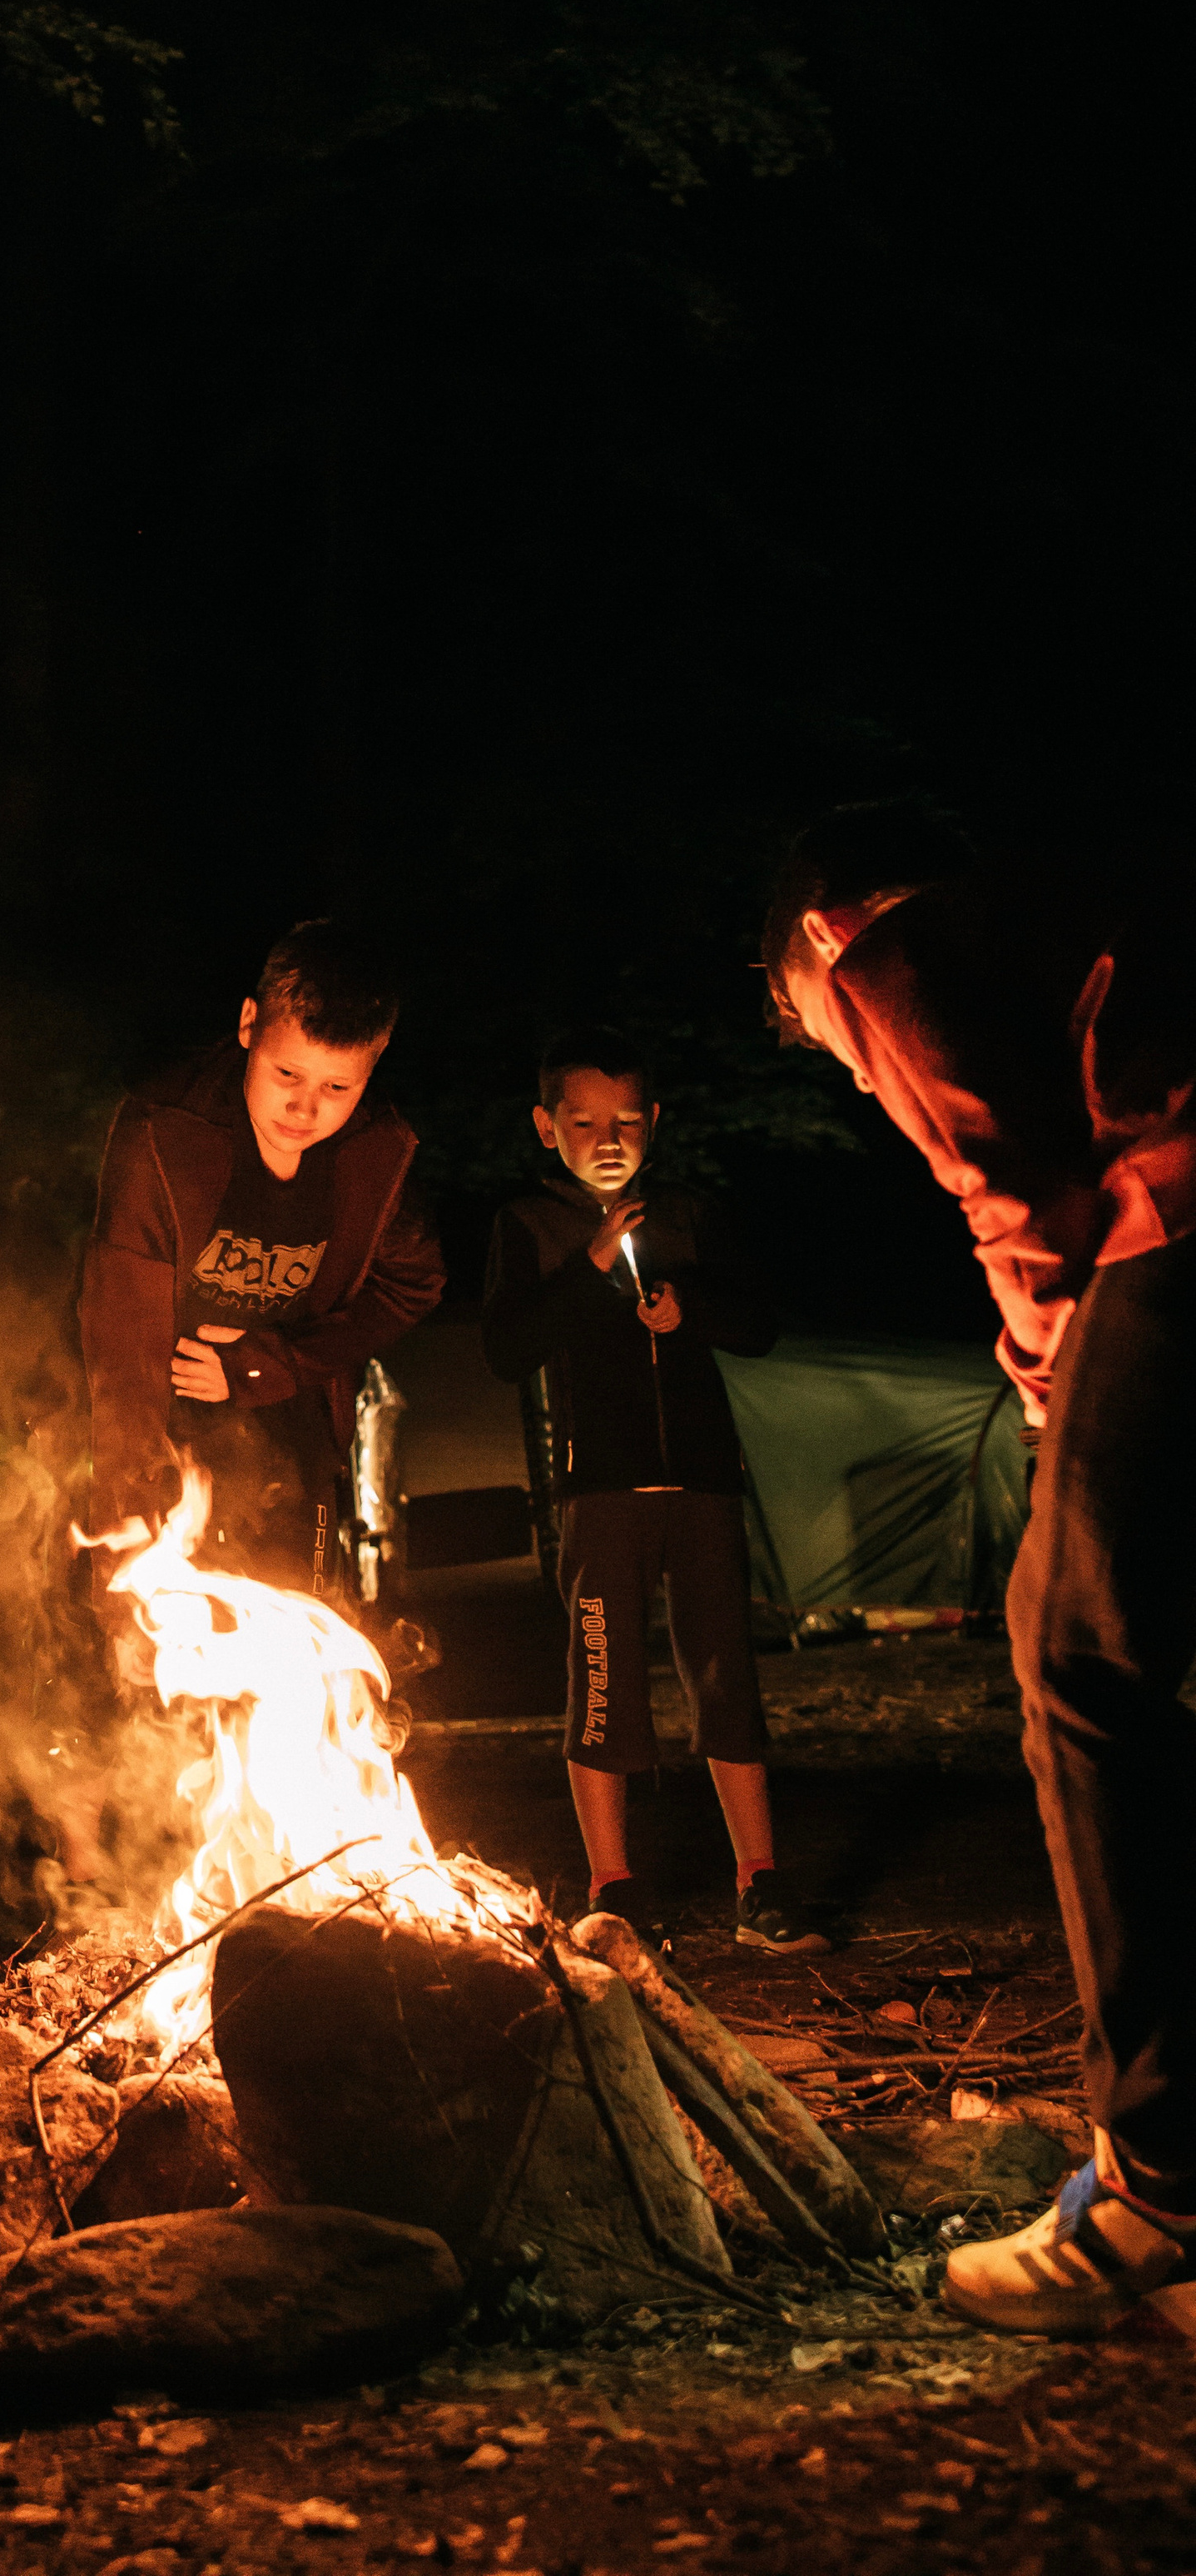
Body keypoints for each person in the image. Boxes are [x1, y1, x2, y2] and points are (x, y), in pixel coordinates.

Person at [764, 798, 1196, 2338]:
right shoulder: (1079, 904)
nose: (856, 1058)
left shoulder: (879, 948)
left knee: (1076, 1646)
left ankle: (1160, 2193)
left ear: (815, 946)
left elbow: (1019, 1195)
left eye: (826, 1038)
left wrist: (1037, 1364)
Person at [482, 1024, 821, 1954]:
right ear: (547, 1127)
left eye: (627, 1119)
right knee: (602, 1676)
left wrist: (691, 1310)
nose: (608, 1138)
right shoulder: (531, 1223)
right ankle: (613, 1886)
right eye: (584, 1121)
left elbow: (759, 1325)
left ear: (655, 1122)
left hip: (705, 1480)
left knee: (726, 1673)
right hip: (600, 1490)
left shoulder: (689, 1215)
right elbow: (508, 1348)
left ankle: (761, 1883)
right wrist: (590, 1270)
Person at [82, 920, 444, 1600]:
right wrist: (126, 1499)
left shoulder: (375, 1154)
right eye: (288, 1074)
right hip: (166, 1438)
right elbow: (120, 1330)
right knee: (161, 1659)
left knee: (294, 1638)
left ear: (374, 1063)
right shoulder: (166, 1133)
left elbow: (412, 1285)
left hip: (295, 1443)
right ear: (250, 1024)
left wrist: (267, 1364)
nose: (305, 1108)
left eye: (338, 1088)